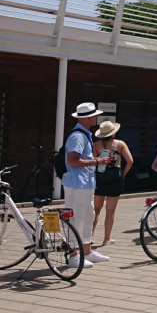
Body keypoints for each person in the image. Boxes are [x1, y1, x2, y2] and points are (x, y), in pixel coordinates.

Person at [62, 102, 113, 268]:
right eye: (94, 115)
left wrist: (96, 161)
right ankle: (73, 255)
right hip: (77, 184)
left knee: (87, 217)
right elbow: (72, 160)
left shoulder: (84, 134)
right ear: (89, 117)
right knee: (75, 219)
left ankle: (87, 250)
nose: (97, 117)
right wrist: (97, 161)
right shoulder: (78, 136)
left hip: (84, 183)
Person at [92, 120, 133, 246]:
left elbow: (93, 161)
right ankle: (106, 238)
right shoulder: (120, 144)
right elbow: (130, 161)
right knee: (110, 210)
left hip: (100, 178)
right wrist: (123, 174)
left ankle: (90, 237)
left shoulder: (96, 144)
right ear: (113, 133)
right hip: (115, 179)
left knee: (96, 209)